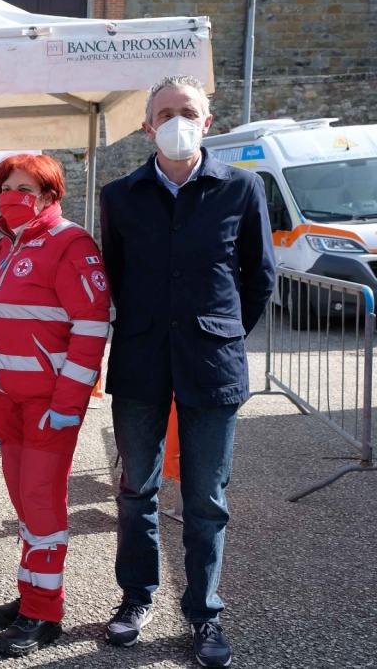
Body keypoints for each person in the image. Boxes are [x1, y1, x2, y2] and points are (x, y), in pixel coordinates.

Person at [99, 75, 275, 668]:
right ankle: (136, 597)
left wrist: (222, 333)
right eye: (166, 112)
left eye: (189, 111)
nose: (178, 121)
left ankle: (204, 611)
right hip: (141, 361)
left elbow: (259, 277)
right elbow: (116, 276)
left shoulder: (241, 188)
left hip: (212, 364)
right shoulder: (119, 195)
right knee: (136, 491)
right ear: (147, 125)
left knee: (206, 498)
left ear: (207, 121)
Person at [0, 154, 111, 655]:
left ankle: (44, 612)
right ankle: (32, 592)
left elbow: (91, 326)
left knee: (42, 502)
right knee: (24, 501)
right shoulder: (0, 247)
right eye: (6, 187)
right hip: (6, 402)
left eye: (25, 188)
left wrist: (70, 401)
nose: (12, 196)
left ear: (50, 195)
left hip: (49, 404)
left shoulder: (70, 243)